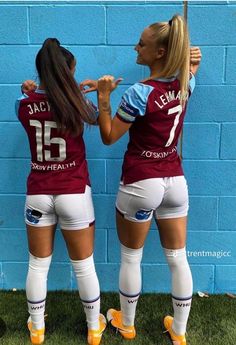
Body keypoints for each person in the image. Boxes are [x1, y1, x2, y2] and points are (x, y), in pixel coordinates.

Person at [81, 14, 201, 345]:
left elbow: (107, 136)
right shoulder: (184, 84)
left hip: (140, 183)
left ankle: (127, 324)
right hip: (175, 182)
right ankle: (179, 332)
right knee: (178, 258)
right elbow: (192, 68)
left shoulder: (139, 93)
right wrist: (193, 58)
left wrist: (103, 98)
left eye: (143, 44)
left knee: (131, 257)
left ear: (160, 52)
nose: (137, 47)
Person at [16, 38, 106, 345]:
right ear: (67, 71)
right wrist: (82, 93)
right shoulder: (78, 104)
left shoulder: (23, 104)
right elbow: (95, 117)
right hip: (74, 193)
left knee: (37, 266)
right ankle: (94, 328)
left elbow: (30, 103)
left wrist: (29, 92)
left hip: (38, 193)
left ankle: (37, 329)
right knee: (84, 267)